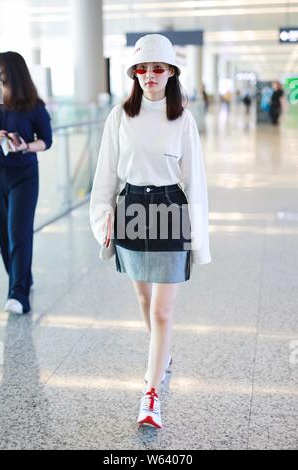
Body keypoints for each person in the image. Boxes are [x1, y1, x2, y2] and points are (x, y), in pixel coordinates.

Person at [90, 34, 211, 429]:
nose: (149, 76)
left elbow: (195, 182)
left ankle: (151, 392)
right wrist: (103, 216)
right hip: (131, 211)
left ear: (171, 72)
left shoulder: (183, 119)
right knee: (144, 302)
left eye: (157, 68)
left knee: (162, 310)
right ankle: (164, 357)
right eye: (142, 69)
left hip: (171, 210)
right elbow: (106, 172)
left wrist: (199, 240)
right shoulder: (120, 115)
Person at [0, 52, 53, 315]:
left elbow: (46, 140)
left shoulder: (34, 105)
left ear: (13, 73)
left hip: (24, 175)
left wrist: (25, 145)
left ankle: (18, 293)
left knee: (19, 233)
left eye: (1, 72)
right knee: (5, 237)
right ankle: (22, 279)